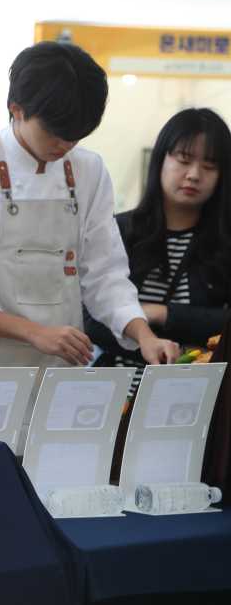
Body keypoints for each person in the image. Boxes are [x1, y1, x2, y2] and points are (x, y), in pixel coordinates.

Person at [0, 42, 179, 402]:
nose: (65, 144)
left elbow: (105, 274)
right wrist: (34, 332)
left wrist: (144, 336)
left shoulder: (89, 170)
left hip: (61, 378)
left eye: (77, 135)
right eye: (56, 132)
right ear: (16, 110)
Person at [86, 108, 231, 392]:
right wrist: (147, 339)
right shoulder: (119, 230)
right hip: (112, 393)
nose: (193, 175)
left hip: (195, 397)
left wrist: (159, 313)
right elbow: (92, 319)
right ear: (161, 158)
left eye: (210, 166)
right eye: (184, 159)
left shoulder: (225, 243)